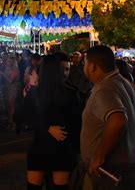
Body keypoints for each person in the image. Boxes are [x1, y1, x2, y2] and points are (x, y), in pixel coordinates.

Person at [80, 45, 135, 189]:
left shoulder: (104, 89)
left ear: (92, 66)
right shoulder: (122, 82)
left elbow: (118, 120)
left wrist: (99, 156)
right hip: (127, 166)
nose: (84, 67)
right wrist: (134, 121)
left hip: (107, 173)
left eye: (85, 63)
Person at [25, 55, 82, 189]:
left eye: (68, 69)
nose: (65, 73)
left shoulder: (36, 92)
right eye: (63, 69)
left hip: (43, 146)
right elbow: (77, 124)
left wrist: (45, 127)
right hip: (61, 147)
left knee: (34, 186)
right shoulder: (71, 93)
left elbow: (24, 117)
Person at [0, 55, 20, 130]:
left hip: (12, 88)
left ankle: (11, 122)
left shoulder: (15, 69)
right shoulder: (7, 68)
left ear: (12, 62)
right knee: (8, 105)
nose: (7, 62)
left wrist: (2, 74)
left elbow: (10, 80)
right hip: (7, 88)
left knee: (11, 105)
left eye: (8, 61)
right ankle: (10, 120)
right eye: (7, 60)